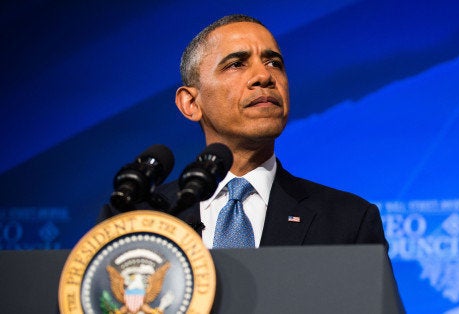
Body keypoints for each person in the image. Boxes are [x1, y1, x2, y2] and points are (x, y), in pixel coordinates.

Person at [100, 14, 388, 250]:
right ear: (190, 103)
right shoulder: (138, 220)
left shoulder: (349, 221)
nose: (264, 76)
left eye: (274, 63)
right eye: (237, 64)